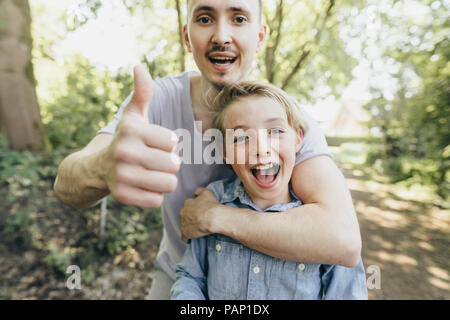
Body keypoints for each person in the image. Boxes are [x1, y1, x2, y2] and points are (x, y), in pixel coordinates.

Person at [53, 0, 362, 299]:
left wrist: (215, 218)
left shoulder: (285, 121)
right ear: (187, 37)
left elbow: (343, 242)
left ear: (259, 36)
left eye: (239, 18)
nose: (221, 36)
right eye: (205, 18)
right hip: (182, 275)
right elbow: (66, 186)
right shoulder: (157, 101)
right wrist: (101, 168)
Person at [170, 81, 368, 299]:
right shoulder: (212, 199)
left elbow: (347, 293)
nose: (261, 148)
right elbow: (190, 277)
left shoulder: (324, 224)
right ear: (224, 151)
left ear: (298, 140)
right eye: (241, 138)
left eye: (275, 131)